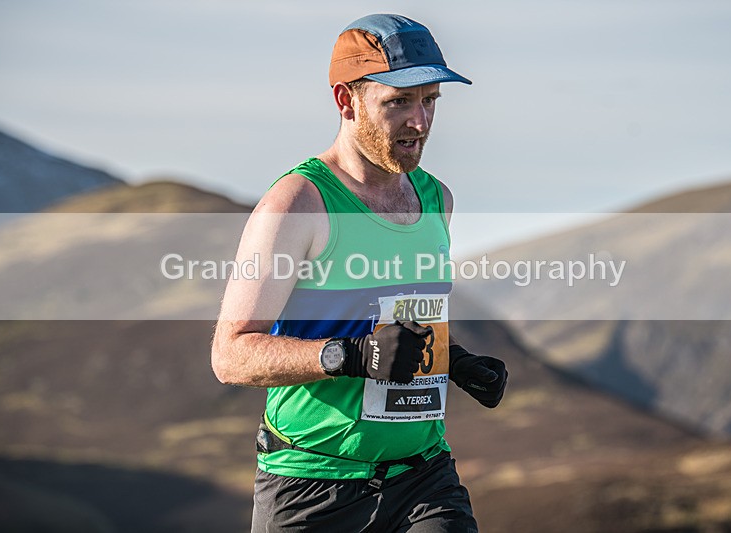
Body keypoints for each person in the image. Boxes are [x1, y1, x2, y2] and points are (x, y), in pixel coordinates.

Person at [211, 14, 508, 532]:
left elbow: (404, 320)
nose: (419, 121)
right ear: (346, 101)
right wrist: (350, 356)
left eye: (430, 100)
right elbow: (231, 355)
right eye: (398, 102)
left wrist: (455, 360)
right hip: (312, 486)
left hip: (424, 478)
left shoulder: (436, 200)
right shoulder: (298, 204)